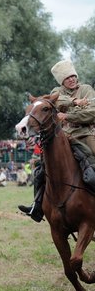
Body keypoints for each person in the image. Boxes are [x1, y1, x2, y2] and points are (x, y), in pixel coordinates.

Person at [19, 60, 95, 222]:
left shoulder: (87, 89)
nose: (72, 79)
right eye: (68, 78)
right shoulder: (56, 92)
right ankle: (37, 206)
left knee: (93, 158)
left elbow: (92, 113)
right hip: (64, 136)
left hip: (84, 133)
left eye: (73, 76)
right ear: (62, 81)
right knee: (41, 168)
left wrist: (67, 115)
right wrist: (74, 102)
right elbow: (56, 101)